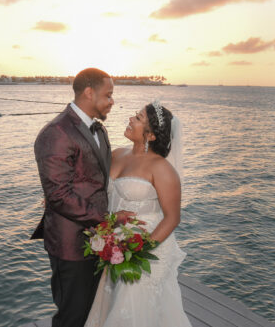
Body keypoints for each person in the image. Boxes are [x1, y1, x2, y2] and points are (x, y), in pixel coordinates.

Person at [31, 68, 135, 327]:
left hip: (98, 239)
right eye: (108, 95)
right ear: (89, 93)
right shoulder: (56, 132)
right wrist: (109, 218)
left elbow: (98, 180)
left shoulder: (98, 130)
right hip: (71, 245)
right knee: (72, 317)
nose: (113, 101)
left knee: (92, 311)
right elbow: (58, 195)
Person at [85, 101, 191, 327]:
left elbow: (173, 218)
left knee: (133, 310)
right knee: (111, 303)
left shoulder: (162, 168)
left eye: (139, 118)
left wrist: (139, 251)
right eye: (135, 115)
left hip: (145, 248)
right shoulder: (116, 154)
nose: (131, 119)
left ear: (151, 135)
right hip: (114, 244)